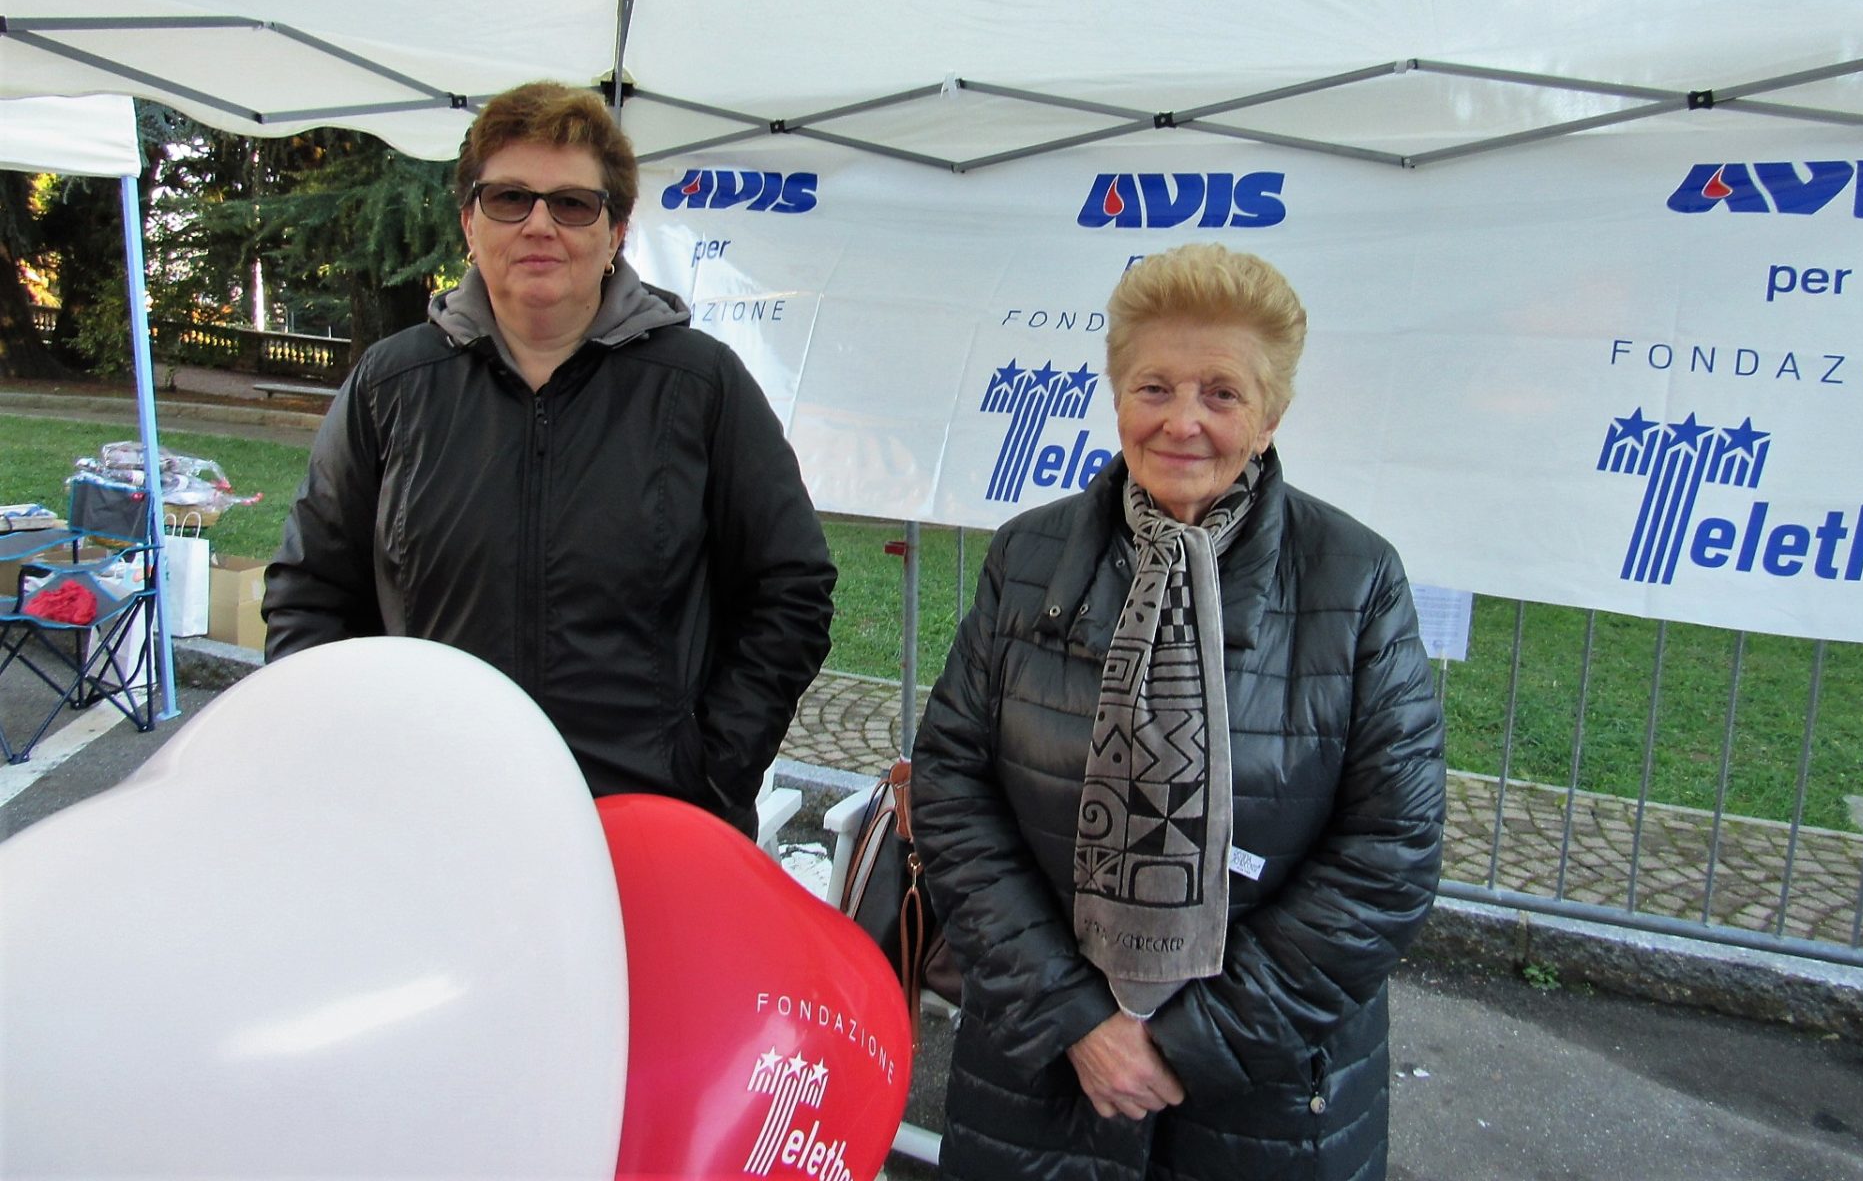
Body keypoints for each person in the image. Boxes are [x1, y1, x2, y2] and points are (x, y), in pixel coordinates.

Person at [911, 243, 1445, 1180]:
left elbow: (1389, 851)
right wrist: (1078, 1020)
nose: (1182, 421)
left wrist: (1195, 1043)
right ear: (1118, 396)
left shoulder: (1355, 580)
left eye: (1222, 393)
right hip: (1041, 1074)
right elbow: (953, 787)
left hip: (1267, 1096)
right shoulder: (1028, 557)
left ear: (1270, 417)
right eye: (1154, 387)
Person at [264, 81, 836, 835]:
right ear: (469, 223)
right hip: (425, 819)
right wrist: (350, 758)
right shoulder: (391, 384)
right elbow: (310, 593)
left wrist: (711, 769)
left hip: (644, 823)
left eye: (572, 204)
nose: (539, 224)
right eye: (509, 199)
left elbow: (790, 587)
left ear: (616, 231)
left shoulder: (700, 385)